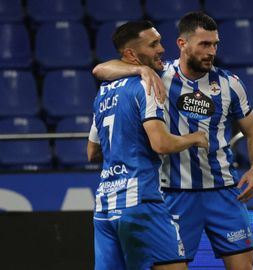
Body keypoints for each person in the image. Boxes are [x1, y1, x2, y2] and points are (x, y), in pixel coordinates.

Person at [92, 12, 253, 270]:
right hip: (174, 194)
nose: (211, 51)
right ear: (182, 44)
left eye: (215, 44)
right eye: (204, 44)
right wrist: (139, 69)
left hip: (224, 191)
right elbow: (100, 70)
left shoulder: (230, 83)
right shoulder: (158, 75)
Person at [87, 21, 209, 270]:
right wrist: (195, 138)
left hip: (105, 207)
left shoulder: (103, 93)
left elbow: (92, 152)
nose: (162, 48)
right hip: (142, 201)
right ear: (131, 54)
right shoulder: (148, 84)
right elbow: (161, 143)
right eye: (153, 44)